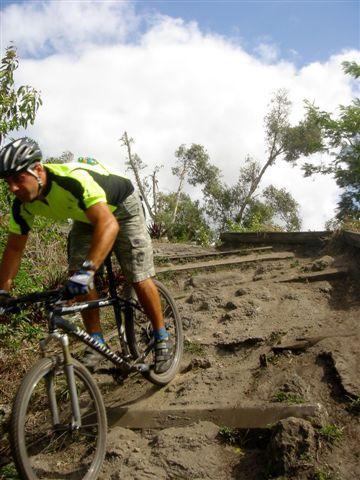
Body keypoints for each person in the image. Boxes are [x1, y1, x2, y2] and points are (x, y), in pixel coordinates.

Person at [0, 138, 172, 373]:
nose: (12, 188)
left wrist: (88, 270)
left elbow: (108, 224)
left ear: (38, 170)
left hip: (121, 208)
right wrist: (3, 291)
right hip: (87, 216)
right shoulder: (22, 205)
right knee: (76, 275)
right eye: (8, 182)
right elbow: (14, 249)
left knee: (138, 276)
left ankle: (162, 336)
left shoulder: (72, 180)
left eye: (18, 179)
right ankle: (96, 342)